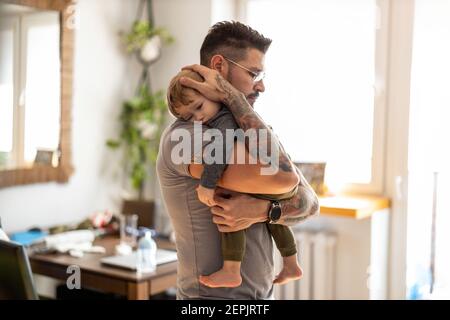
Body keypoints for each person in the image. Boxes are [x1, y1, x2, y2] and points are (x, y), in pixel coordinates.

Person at [157, 21, 319, 299]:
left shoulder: (251, 130)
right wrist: (233, 97)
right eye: (254, 73)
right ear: (219, 67)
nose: (262, 86)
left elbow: (311, 203)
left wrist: (264, 210)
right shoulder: (187, 136)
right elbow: (285, 179)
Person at [166, 70, 303, 288]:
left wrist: (208, 184)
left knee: (227, 204)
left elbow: (220, 150)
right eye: (189, 117)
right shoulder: (237, 117)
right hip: (282, 187)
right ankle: (291, 263)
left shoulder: (224, 120)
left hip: (277, 179)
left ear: (213, 93)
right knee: (273, 220)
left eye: (199, 107)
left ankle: (231, 270)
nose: (197, 118)